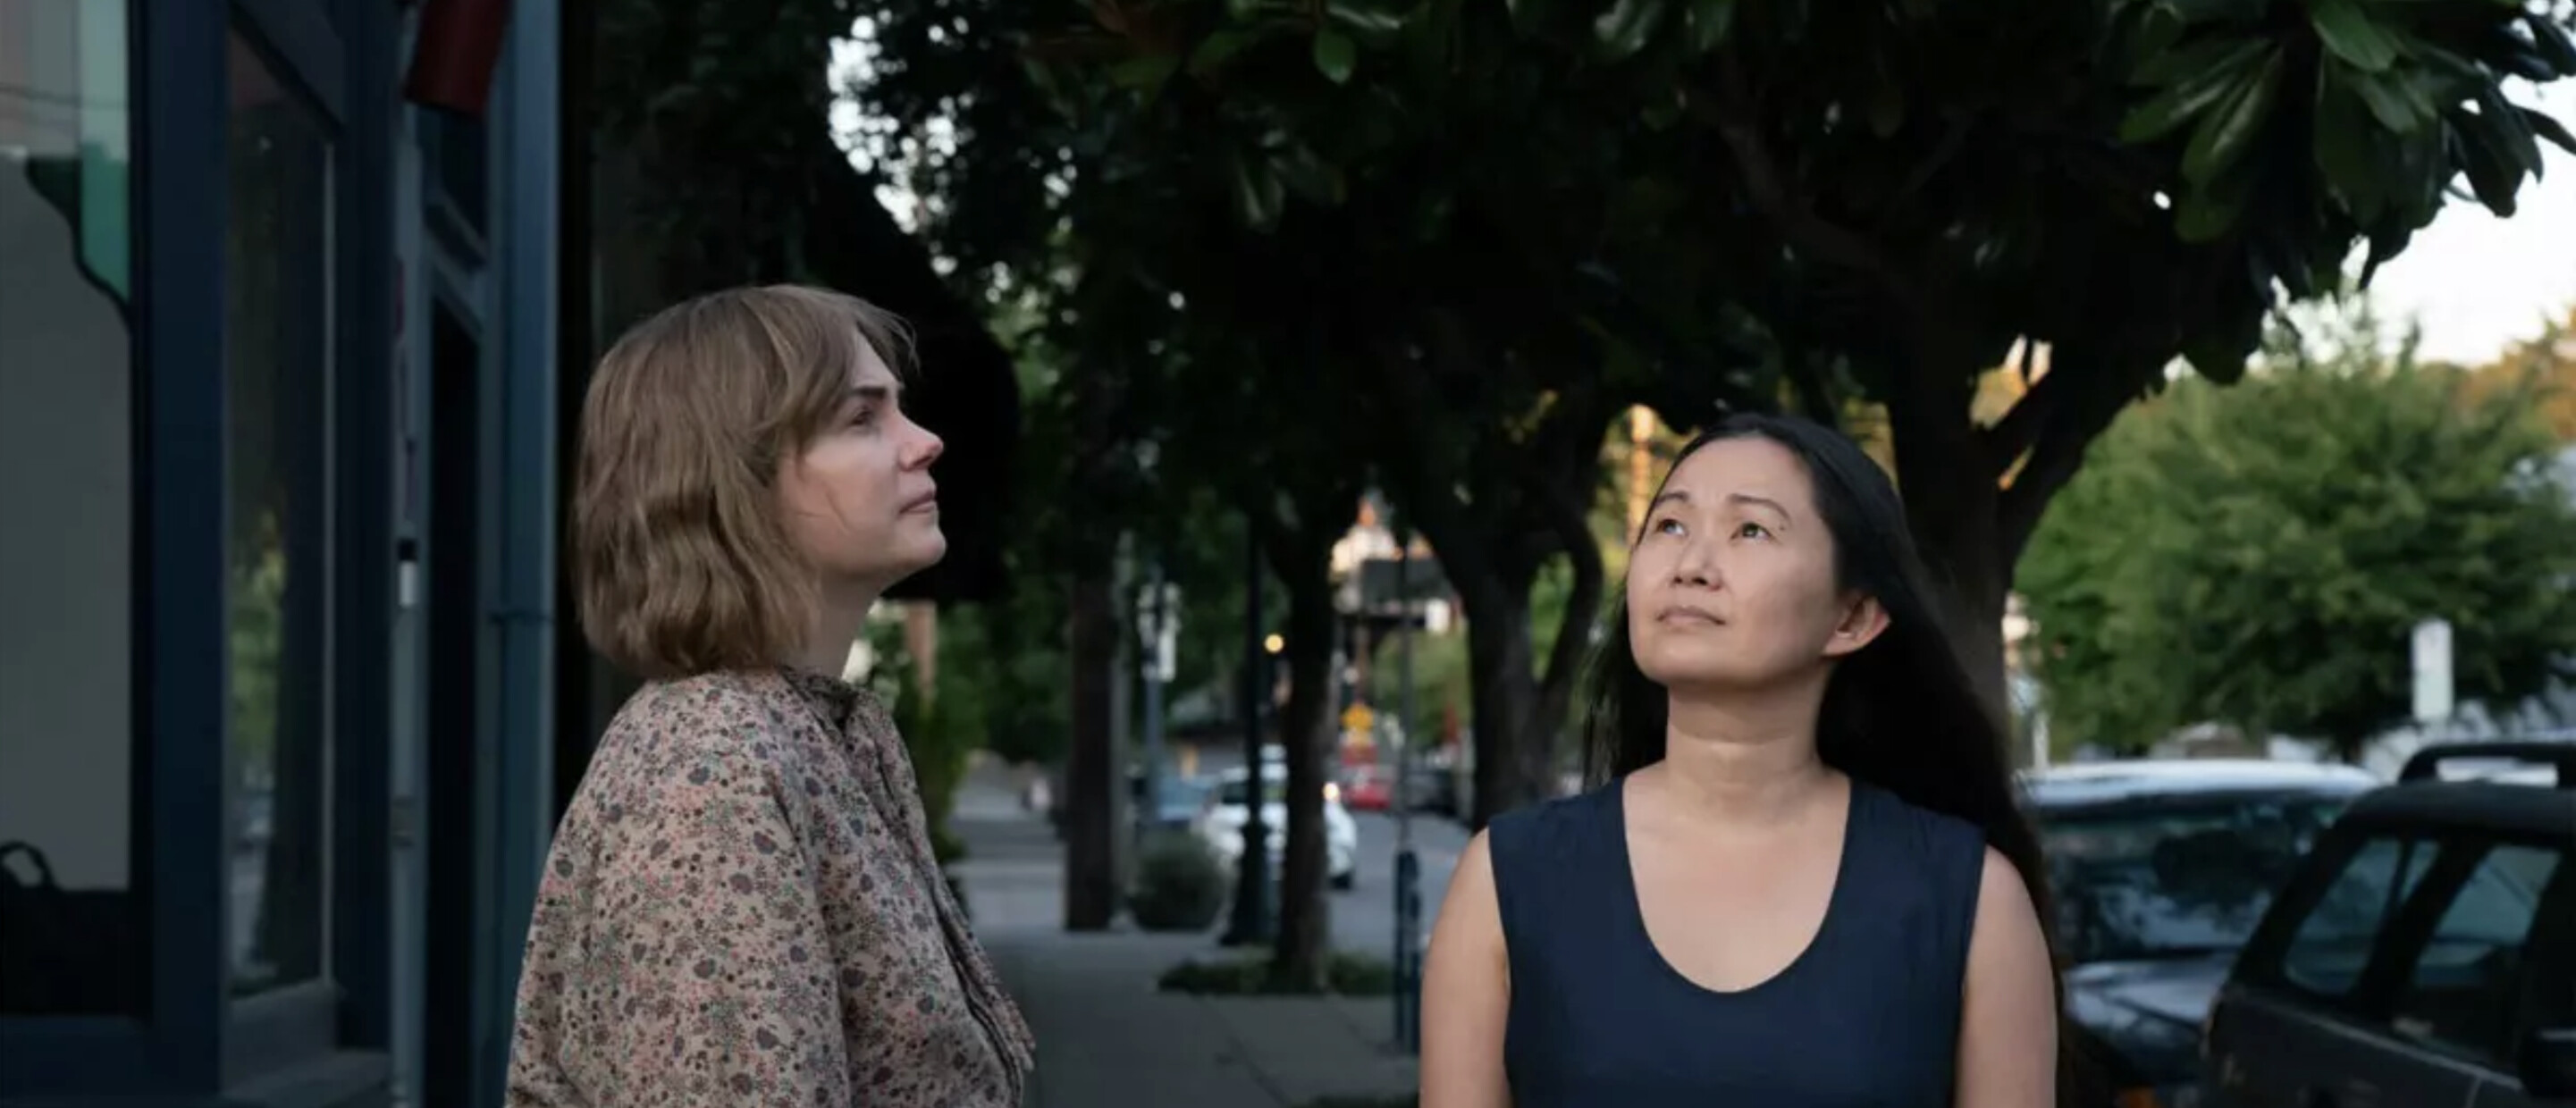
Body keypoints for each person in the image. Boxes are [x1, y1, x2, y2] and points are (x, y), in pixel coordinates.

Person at [1418, 413, 2060, 1107]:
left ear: (1853, 616)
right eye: (1668, 526)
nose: (1691, 564)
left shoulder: (1971, 902)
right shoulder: (1508, 880)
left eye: (1750, 530)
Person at [507, 285, 1034, 1107]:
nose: (926, 441)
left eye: (900, 410)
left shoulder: (804, 731)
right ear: (733, 480)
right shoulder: (708, 772)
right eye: (863, 419)